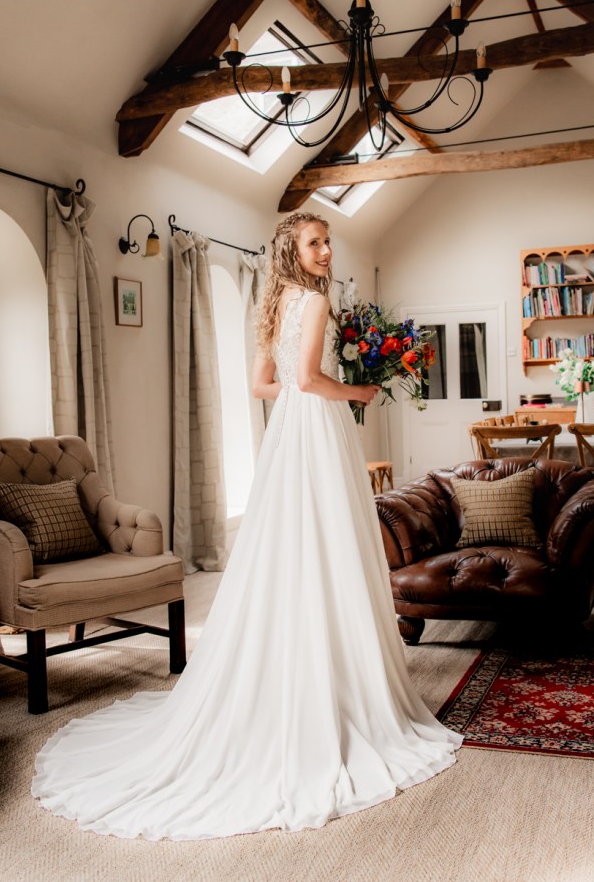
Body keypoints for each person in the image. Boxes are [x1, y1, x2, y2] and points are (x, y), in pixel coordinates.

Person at [32, 212, 462, 841]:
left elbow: (263, 385)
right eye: (313, 243)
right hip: (316, 429)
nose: (325, 251)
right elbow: (312, 379)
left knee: (292, 549)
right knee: (329, 545)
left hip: (291, 432)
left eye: (326, 241)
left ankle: (296, 665)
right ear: (293, 251)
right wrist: (359, 393)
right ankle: (334, 680)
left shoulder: (273, 302)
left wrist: (306, 388)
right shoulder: (314, 300)